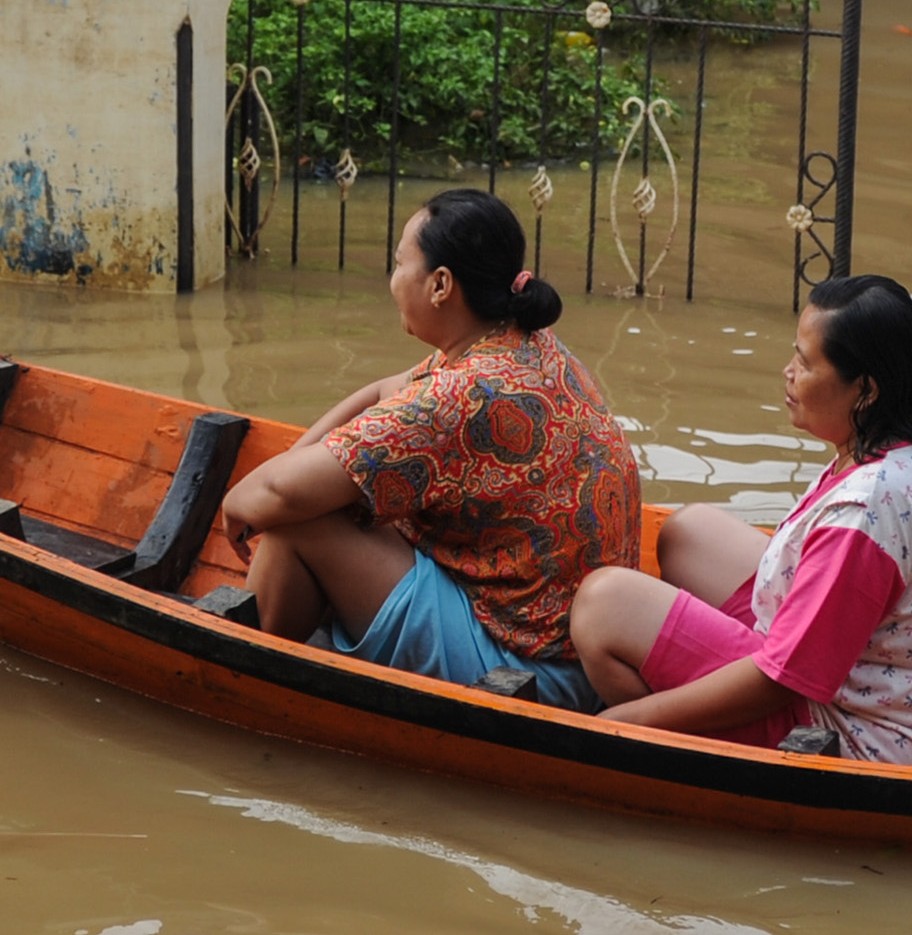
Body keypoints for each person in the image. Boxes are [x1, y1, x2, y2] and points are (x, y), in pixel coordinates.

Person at [217, 188, 632, 708]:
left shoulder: (460, 394)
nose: (392, 281)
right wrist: (293, 461)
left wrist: (248, 499)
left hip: (530, 668)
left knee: (300, 521)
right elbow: (382, 392)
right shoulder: (522, 341)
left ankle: (240, 688)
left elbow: (268, 498)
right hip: (582, 647)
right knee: (322, 493)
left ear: (440, 285)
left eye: (398, 264)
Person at [567, 274, 912, 769]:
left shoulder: (866, 513)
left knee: (602, 606)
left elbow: (782, 681)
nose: (788, 373)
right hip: (905, 691)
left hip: (867, 732)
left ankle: (662, 760)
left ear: (866, 390)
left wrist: (623, 722)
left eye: (806, 364)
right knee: (688, 534)